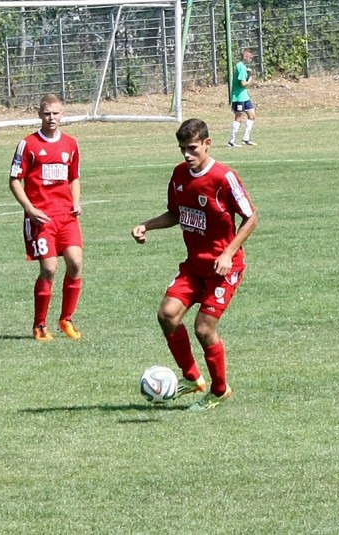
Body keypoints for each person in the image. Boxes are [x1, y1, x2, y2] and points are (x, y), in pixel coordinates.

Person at [132, 118, 257, 411]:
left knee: (204, 329)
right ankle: (192, 378)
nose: (187, 155)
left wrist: (228, 253)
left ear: (207, 144)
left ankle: (219, 390)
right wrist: (146, 225)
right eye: (182, 149)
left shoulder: (224, 178)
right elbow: (176, 214)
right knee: (167, 315)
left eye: (192, 148)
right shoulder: (179, 175)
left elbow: (251, 217)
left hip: (223, 269)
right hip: (194, 267)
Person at [9, 93, 84, 341]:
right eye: (47, 113)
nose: (51, 118)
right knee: (49, 269)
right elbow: (14, 180)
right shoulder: (28, 144)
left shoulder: (71, 144)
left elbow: (74, 177)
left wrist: (75, 202)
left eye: (55, 113)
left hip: (66, 216)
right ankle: (40, 325)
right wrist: (30, 209)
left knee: (75, 263)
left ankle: (66, 319)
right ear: (39, 114)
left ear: (63, 114)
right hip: (41, 218)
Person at [228, 48, 257, 148]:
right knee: (238, 117)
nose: (251, 60)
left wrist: (248, 74)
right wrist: (250, 79)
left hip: (245, 97)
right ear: (245, 56)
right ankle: (232, 141)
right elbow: (242, 83)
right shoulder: (240, 67)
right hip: (238, 97)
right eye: (250, 58)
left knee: (252, 115)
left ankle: (246, 139)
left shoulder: (243, 67)